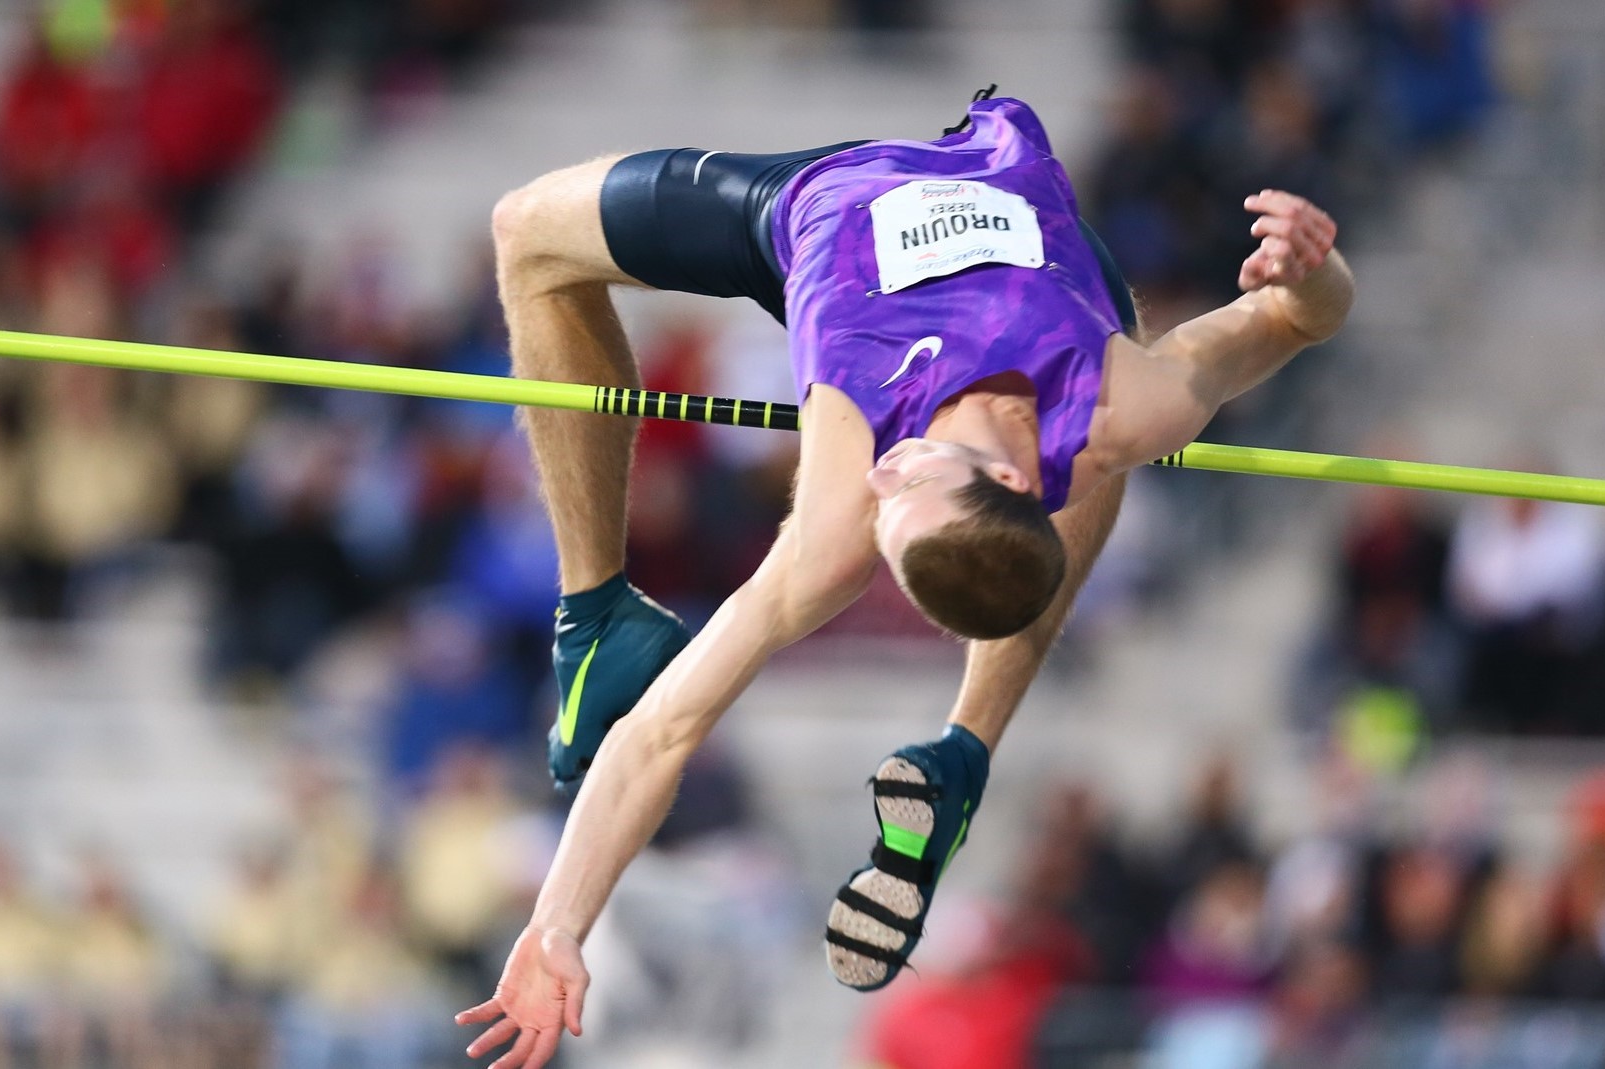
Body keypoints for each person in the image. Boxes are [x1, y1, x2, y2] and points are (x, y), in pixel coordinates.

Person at [458, 92, 1353, 1068]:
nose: (885, 472)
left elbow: (664, 730)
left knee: (1090, 455)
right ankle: (619, 619)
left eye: (892, 505)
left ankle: (946, 736)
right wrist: (1313, 269)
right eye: (917, 476)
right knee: (1103, 418)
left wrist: (559, 923)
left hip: (808, 217)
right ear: (1008, 476)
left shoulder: (842, 512)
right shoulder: (1133, 398)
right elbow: (1299, 318)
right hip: (1022, 260)